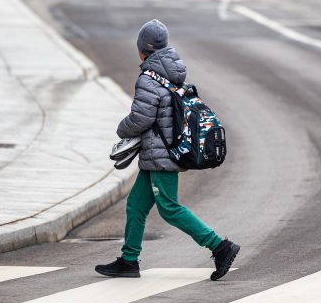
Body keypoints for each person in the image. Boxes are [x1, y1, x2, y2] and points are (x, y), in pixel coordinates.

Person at [95, 19, 240, 281]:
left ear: (143, 49)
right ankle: (129, 260)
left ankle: (220, 246)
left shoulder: (149, 78)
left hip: (162, 156)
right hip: (158, 153)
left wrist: (121, 129)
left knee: (169, 207)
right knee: (136, 205)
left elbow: (140, 119)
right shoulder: (171, 70)